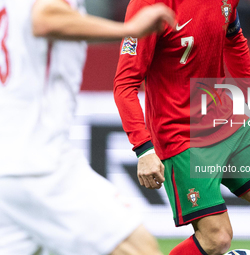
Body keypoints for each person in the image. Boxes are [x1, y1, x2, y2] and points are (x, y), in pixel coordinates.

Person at [114, 0, 250, 255]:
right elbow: (125, 84)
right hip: (181, 136)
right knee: (217, 239)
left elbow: (234, 40)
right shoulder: (149, 4)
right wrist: (144, 150)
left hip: (225, 121)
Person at [0, 0, 175, 254]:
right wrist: (129, 29)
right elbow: (45, 19)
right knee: (140, 248)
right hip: (39, 164)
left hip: (9, 162)